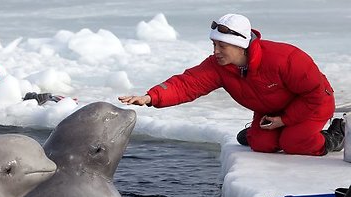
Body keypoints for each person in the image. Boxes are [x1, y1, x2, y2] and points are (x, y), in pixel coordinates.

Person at [119, 13, 344, 156]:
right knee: (262, 145)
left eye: (222, 46)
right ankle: (257, 134)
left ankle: (335, 136)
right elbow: (188, 84)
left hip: (313, 103)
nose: (215, 52)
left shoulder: (285, 58)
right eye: (214, 44)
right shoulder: (219, 66)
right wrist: (151, 97)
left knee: (294, 143)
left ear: (240, 46)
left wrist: (284, 120)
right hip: (272, 110)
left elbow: (316, 94)